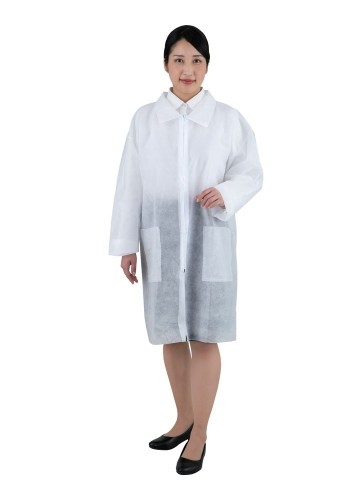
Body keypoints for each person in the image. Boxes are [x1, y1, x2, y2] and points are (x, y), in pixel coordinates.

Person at [108, 25, 263, 474]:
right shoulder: (144, 120)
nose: (188, 69)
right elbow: (130, 183)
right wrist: (126, 244)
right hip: (161, 239)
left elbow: (251, 172)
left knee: (204, 334)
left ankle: (200, 434)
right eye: (179, 60)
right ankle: (182, 418)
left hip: (208, 239)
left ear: (207, 66)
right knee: (171, 334)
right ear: (165, 65)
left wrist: (226, 192)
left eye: (197, 60)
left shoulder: (228, 119)